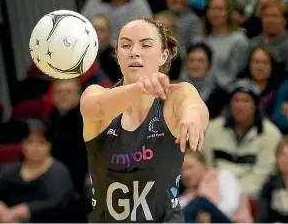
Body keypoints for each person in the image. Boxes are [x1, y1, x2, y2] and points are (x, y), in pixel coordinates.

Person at [80, 17, 209, 222]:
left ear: (163, 55)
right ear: (118, 56)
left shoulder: (175, 95)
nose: (134, 52)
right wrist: (139, 88)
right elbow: (94, 108)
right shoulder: (95, 94)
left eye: (146, 45)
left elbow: (193, 105)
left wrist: (192, 117)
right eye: (125, 45)